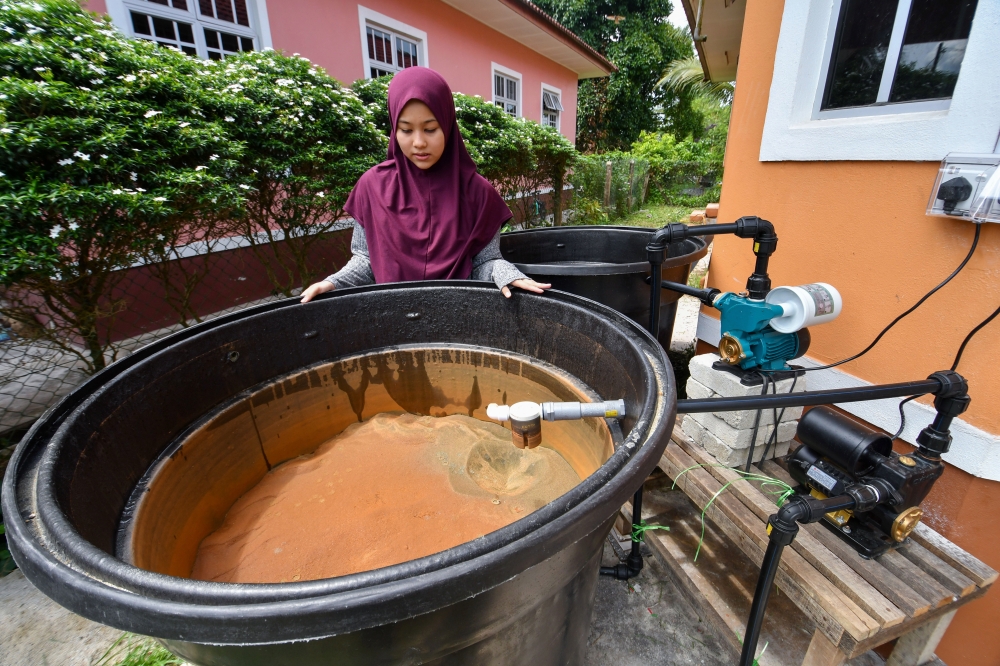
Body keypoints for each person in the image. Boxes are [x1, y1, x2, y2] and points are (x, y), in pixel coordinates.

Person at [300, 67, 550, 303]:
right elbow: (366, 261)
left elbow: (485, 263)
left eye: (430, 129)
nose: (418, 142)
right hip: (393, 323)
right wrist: (333, 282)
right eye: (406, 130)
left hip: (460, 320)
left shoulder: (478, 193)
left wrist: (507, 273)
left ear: (448, 125)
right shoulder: (372, 187)